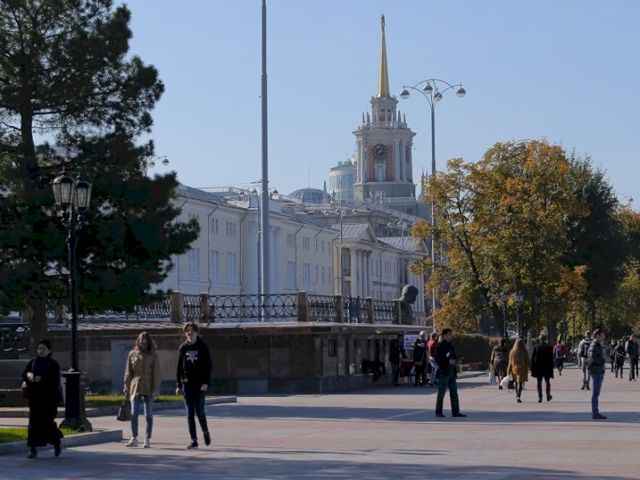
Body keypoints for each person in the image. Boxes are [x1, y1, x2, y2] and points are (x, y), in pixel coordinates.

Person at [22, 339, 63, 459]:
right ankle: (33, 449)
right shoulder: (33, 362)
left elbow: (54, 380)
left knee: (47, 423)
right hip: (35, 398)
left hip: (49, 399)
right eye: (39, 348)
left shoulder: (53, 364)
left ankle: (56, 443)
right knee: (33, 423)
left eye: (43, 349)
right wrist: (29, 375)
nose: (41, 351)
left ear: (49, 350)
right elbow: (25, 373)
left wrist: (42, 379)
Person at [176, 322, 212, 449]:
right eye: (187, 331)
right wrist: (179, 384)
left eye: (192, 331)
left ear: (196, 332)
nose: (189, 333)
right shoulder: (183, 348)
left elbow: (208, 366)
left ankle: (205, 431)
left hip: (200, 384)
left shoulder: (203, 346)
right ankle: (194, 440)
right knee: (189, 413)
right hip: (187, 384)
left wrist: (206, 382)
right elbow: (179, 368)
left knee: (199, 411)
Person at [123, 331, 161, 448]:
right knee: (134, 413)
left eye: (144, 342)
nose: (142, 344)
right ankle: (134, 437)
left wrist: (156, 389)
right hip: (135, 385)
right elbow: (128, 372)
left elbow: (156, 373)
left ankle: (147, 438)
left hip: (149, 385)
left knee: (148, 414)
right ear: (138, 342)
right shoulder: (132, 354)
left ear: (148, 342)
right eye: (140, 341)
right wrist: (126, 388)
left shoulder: (153, 355)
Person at [434, 329, 466, 418]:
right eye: (449, 334)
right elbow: (437, 359)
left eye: (451, 334)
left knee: (454, 392)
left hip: (451, 372)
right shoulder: (440, 346)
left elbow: (454, 357)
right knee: (441, 393)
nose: (451, 336)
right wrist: (447, 361)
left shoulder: (451, 346)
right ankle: (438, 412)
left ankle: (456, 412)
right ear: (444, 335)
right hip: (444, 372)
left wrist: (457, 361)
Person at [587, 329, 607, 420]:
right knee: (595, 393)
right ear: (597, 336)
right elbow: (591, 359)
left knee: (596, 393)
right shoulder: (594, 345)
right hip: (596, 371)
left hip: (599, 371)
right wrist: (602, 361)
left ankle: (595, 412)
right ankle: (595, 413)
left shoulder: (598, 345)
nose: (603, 337)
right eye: (602, 335)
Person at [531, 334, 554, 402]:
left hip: (538, 367)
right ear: (545, 339)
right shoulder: (549, 347)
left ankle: (540, 397)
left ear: (539, 339)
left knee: (539, 382)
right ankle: (548, 396)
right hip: (547, 367)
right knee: (547, 381)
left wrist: (532, 367)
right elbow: (551, 358)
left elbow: (533, 358)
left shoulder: (536, 347)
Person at [507, 338, 531, 403]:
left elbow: (510, 362)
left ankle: (517, 395)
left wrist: (508, 370)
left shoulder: (512, 351)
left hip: (514, 369)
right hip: (522, 369)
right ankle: (518, 396)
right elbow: (528, 360)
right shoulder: (524, 351)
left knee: (515, 382)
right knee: (520, 383)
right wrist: (531, 367)